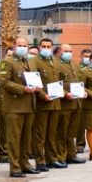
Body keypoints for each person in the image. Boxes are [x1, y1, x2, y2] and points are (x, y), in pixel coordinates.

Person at [0, 37, 41, 177]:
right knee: (14, 138)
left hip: (29, 105)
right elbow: (4, 82)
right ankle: (15, 167)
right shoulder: (7, 62)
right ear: (14, 46)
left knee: (26, 139)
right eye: (20, 45)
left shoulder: (29, 61)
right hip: (14, 106)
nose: (22, 47)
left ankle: (25, 164)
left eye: (25, 45)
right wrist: (23, 89)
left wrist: (37, 87)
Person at [32, 38, 63, 170]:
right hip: (42, 103)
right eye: (43, 46)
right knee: (40, 134)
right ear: (39, 47)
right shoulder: (34, 61)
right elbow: (34, 81)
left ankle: (52, 158)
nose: (46, 49)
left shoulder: (55, 61)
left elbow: (58, 80)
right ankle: (40, 161)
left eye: (48, 46)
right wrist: (43, 96)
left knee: (52, 134)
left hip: (55, 102)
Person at [54, 44, 86, 165]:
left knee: (72, 132)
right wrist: (66, 93)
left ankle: (71, 154)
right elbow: (56, 83)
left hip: (76, 102)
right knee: (62, 131)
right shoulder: (56, 64)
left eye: (70, 51)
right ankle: (61, 156)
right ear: (59, 52)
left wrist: (83, 92)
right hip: (65, 103)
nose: (68, 53)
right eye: (65, 51)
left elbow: (78, 81)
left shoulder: (73, 63)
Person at [74, 48, 92, 155]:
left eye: (89, 57)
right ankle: (80, 145)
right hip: (80, 99)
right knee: (80, 124)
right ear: (81, 57)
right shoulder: (77, 68)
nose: (87, 59)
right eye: (85, 56)